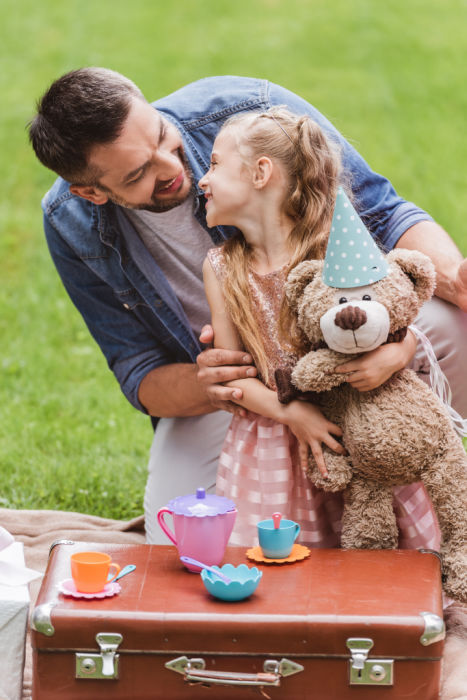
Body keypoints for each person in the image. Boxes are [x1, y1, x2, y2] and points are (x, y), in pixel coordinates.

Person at [28, 68, 467, 544]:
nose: (171, 168)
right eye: (138, 174)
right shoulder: (70, 224)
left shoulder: (248, 114)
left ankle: (427, 454)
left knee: (451, 322)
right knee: (174, 534)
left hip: (348, 338)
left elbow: (380, 213)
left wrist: (450, 290)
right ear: (91, 191)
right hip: (246, 395)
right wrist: (216, 384)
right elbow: (138, 371)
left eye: (159, 134)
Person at [199, 107, 443, 548]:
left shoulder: (337, 248)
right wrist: (291, 413)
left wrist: (396, 354)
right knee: (284, 563)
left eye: (214, 164)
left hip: (360, 424)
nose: (202, 178)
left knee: (384, 545)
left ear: (261, 173)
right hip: (274, 437)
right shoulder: (221, 268)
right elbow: (234, 374)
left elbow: (393, 323)